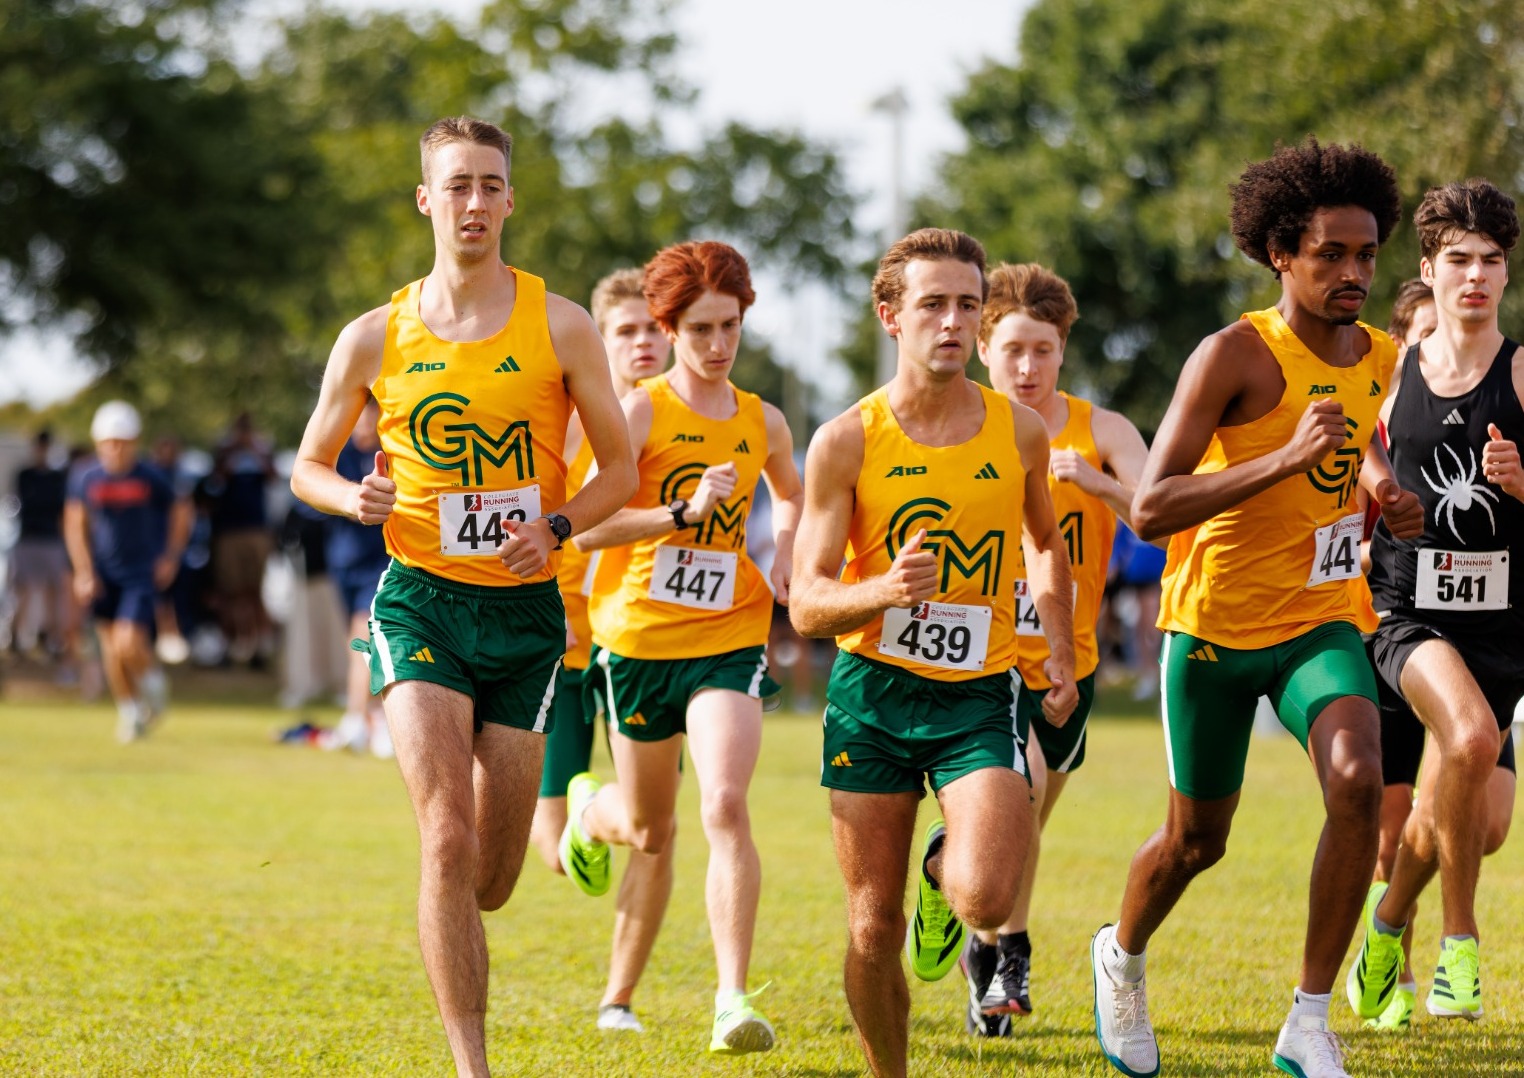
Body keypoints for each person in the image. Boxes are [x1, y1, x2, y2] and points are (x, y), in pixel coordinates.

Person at [289, 115, 636, 1078]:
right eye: (457, 185)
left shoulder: (560, 324)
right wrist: (348, 494)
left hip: (527, 618)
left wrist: (557, 527)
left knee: (489, 879)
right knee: (443, 836)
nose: (474, 202)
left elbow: (619, 469)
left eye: (490, 184)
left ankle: (542, 832)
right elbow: (306, 467)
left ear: (510, 200)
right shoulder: (375, 336)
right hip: (421, 602)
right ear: (426, 199)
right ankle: (471, 1066)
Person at [1088, 139, 1424, 1078]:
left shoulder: (1381, 355)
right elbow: (1152, 509)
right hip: (1213, 630)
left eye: (1366, 255)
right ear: (1282, 253)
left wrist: (1387, 488)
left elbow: (1353, 444)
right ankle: (1121, 954)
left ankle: (1309, 1020)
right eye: (1331, 255)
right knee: (1198, 842)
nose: (1354, 273)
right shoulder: (1232, 354)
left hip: (1320, 619)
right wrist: (1277, 459)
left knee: (1358, 780)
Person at [789, 228, 1077, 1078]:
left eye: (965, 305)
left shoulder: (1018, 432)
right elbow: (805, 601)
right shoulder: (846, 439)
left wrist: (1055, 650)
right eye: (932, 305)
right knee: (872, 927)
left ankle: (941, 875)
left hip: (976, 694)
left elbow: (1045, 544)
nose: (952, 322)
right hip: (872, 696)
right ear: (891, 316)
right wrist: (882, 590)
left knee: (987, 892)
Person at [559, 241, 802, 1056]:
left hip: (728, 637)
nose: (717, 344)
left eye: (729, 326)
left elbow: (794, 492)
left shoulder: (762, 419)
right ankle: (591, 817)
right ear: (670, 328)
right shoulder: (640, 413)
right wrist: (679, 515)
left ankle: (732, 1000)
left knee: (725, 804)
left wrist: (789, 562)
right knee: (649, 828)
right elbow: (585, 526)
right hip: (635, 644)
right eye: (699, 328)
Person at [1349, 178, 1524, 1030]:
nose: (1477, 276)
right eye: (1459, 260)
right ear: (1429, 266)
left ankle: (1386, 925)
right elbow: (1352, 456)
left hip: (1505, 627)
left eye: (1492, 260)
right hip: (1408, 610)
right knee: (1473, 736)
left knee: (1475, 816)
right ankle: (1458, 943)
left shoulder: (1523, 372)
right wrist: (1383, 482)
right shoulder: (1390, 371)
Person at [961, 263, 1150, 1036]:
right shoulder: (960, 429)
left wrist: (1099, 486)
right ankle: (1011, 956)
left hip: (1068, 662)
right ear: (983, 350)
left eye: (1042, 350)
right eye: (1012, 351)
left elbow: (1160, 514)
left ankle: (973, 927)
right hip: (977, 660)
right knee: (1019, 796)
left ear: (1062, 350)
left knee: (1025, 824)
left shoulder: (1102, 432)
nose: (1027, 368)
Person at [526, 267, 676, 1032]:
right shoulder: (562, 419)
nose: (645, 343)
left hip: (646, 648)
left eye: (655, 328)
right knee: (552, 847)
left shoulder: (685, 422)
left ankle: (618, 998)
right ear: (601, 339)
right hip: (557, 651)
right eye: (627, 330)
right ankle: (586, 812)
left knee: (662, 825)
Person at [1356, 276, 1438, 1032]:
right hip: (1385, 627)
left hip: (1477, 639)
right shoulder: (1371, 422)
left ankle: (1389, 927)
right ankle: (1397, 967)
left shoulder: (1492, 415)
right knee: (1389, 826)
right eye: (1420, 335)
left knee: (1484, 824)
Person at [63, 402, 192, 742]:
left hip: (140, 572)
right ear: (98, 443)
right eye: (109, 441)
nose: (115, 448)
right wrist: (83, 571)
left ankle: (154, 687)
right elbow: (75, 525)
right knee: (110, 648)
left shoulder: (151, 477)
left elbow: (182, 511)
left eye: (122, 440)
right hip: (104, 574)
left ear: (134, 441)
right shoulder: (86, 477)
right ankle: (130, 712)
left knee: (128, 640)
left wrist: (171, 556)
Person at [321, 393, 397, 757]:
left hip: (379, 562)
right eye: (361, 416)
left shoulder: (390, 452)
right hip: (345, 563)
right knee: (359, 642)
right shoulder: (339, 454)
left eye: (372, 415)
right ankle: (367, 717)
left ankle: (362, 718)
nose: (366, 423)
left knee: (362, 636)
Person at [208, 412, 277, 666]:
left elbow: (273, 477)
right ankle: (234, 642)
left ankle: (258, 646)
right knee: (232, 592)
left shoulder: (262, 452)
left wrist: (255, 451)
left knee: (256, 591)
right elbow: (215, 482)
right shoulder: (224, 452)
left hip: (256, 530)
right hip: (229, 531)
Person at [8, 429, 71, 662]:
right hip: (28, 538)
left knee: (53, 591)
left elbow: (61, 509)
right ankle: (16, 637)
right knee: (22, 589)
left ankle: (50, 638)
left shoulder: (57, 477)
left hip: (51, 539)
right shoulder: (25, 475)